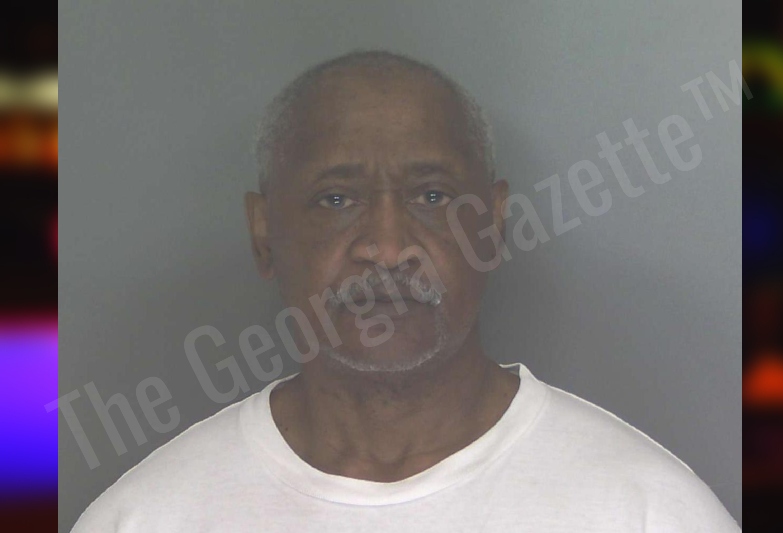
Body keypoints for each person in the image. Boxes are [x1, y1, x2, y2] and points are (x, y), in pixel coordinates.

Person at [73, 50, 739, 532]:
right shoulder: (145, 518)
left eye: (432, 196)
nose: (387, 248)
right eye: (336, 198)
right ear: (264, 232)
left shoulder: (648, 512)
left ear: (494, 224)